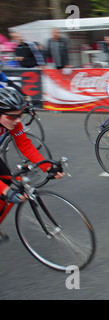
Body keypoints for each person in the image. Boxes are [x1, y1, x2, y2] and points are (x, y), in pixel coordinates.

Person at [0, 87, 64, 241]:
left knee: (7, 181)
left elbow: (25, 145)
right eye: (12, 117)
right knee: (5, 190)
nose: (17, 121)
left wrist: (47, 166)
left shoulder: (13, 121)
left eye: (20, 115)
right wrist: (5, 190)